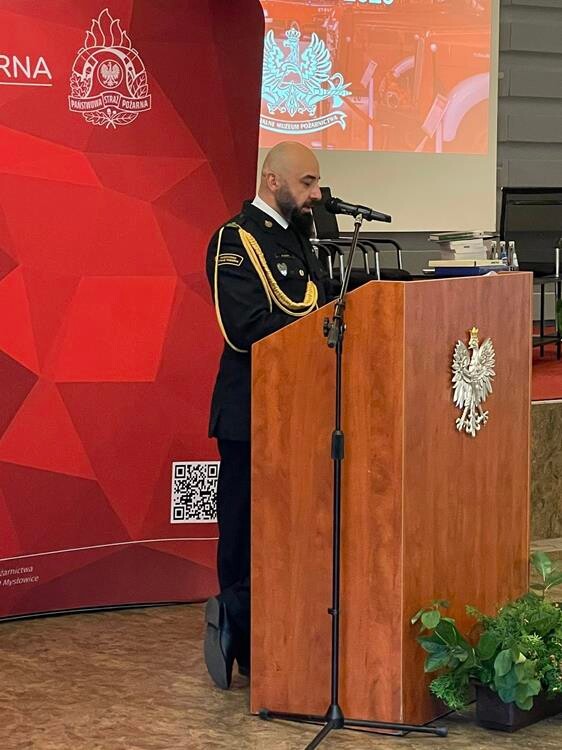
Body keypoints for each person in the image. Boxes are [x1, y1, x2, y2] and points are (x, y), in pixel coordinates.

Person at [203, 141, 331, 689]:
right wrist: (322, 326)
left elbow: (323, 302)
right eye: (307, 183)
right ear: (272, 181)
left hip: (301, 409)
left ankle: (282, 636)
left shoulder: (299, 239)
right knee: (245, 530)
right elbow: (246, 328)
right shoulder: (235, 241)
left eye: (316, 183)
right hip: (251, 411)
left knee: (292, 528)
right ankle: (237, 632)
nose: (316, 194)